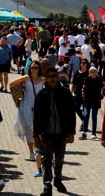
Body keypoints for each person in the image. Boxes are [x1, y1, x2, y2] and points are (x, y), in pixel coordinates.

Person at [33, 68, 76, 196]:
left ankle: (58, 180)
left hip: (61, 133)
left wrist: (71, 132)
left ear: (57, 77)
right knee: (46, 160)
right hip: (46, 134)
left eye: (54, 76)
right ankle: (47, 185)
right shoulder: (41, 94)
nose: (52, 78)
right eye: (49, 76)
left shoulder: (65, 93)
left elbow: (71, 114)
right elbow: (36, 117)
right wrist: (36, 136)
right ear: (45, 78)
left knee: (59, 159)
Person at [9, 60, 44, 177]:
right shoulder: (26, 78)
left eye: (36, 68)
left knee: (37, 130)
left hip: (39, 109)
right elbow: (12, 84)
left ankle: (38, 151)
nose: (33, 69)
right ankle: (32, 152)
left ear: (39, 69)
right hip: (25, 107)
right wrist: (18, 92)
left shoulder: (43, 80)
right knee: (30, 130)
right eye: (32, 67)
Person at [80, 67, 105, 140]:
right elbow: (83, 89)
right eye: (91, 72)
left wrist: (101, 97)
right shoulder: (86, 80)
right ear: (89, 73)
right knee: (86, 115)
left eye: (94, 72)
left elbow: (104, 90)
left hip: (96, 101)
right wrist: (84, 97)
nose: (93, 73)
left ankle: (93, 133)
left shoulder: (100, 80)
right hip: (87, 101)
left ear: (97, 73)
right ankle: (84, 132)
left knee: (94, 116)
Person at [70, 58, 90, 128]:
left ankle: (84, 124)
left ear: (87, 64)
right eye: (81, 62)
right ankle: (83, 120)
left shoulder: (89, 73)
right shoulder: (77, 72)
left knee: (85, 110)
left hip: (86, 94)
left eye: (84, 62)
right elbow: (73, 83)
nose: (82, 64)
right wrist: (71, 92)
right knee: (76, 107)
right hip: (78, 93)